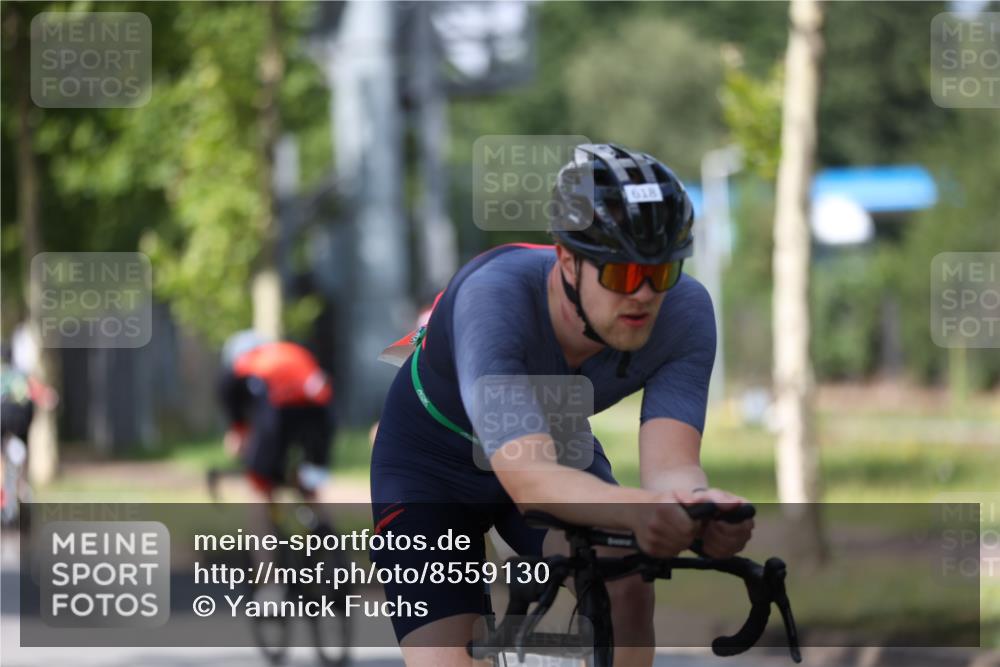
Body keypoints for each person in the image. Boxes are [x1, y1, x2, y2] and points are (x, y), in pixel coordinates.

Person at [370, 144, 756, 667]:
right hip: (429, 466)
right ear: (568, 261)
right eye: (621, 274)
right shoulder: (495, 296)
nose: (643, 295)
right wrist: (642, 512)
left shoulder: (684, 314)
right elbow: (530, 478)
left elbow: (671, 468)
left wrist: (703, 511)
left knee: (627, 579)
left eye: (661, 272)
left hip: (550, 440)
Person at [218, 331, 336, 500]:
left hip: (284, 412)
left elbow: (227, 389)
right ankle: (316, 513)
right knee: (310, 473)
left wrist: (238, 430)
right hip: (319, 412)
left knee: (262, 471)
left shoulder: (248, 361)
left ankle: (265, 513)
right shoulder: (292, 350)